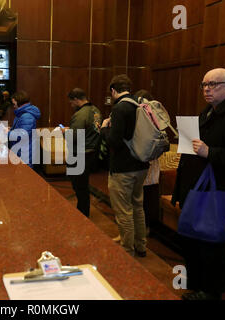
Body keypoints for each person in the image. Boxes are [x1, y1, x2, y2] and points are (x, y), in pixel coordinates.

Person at [171, 68, 225, 300]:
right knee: (194, 240)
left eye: (214, 84)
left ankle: (210, 291)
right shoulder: (209, 110)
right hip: (198, 187)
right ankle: (198, 286)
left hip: (219, 190)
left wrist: (211, 152)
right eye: (204, 85)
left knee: (210, 243)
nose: (207, 89)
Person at [101, 75, 149, 257]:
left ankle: (127, 249)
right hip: (142, 165)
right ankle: (141, 245)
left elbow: (114, 141)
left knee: (123, 210)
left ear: (113, 90)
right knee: (137, 206)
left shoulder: (120, 108)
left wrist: (104, 128)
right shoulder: (140, 104)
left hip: (123, 168)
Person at [65, 88, 102, 217]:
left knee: (79, 187)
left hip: (80, 154)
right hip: (92, 152)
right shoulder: (96, 110)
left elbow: (74, 137)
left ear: (76, 99)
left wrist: (65, 132)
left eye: (71, 102)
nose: (71, 105)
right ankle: (83, 211)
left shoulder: (81, 114)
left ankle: (82, 214)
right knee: (84, 185)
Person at [135, 89, 160, 236]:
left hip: (147, 161)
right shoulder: (154, 116)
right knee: (145, 196)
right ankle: (142, 229)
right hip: (147, 161)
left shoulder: (152, 117)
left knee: (146, 198)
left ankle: (144, 230)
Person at [8, 90, 41, 168]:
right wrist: (11, 130)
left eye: (14, 103)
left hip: (24, 153)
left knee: (24, 177)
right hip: (21, 151)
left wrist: (7, 133)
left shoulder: (27, 116)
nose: (13, 105)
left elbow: (22, 135)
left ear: (19, 102)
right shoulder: (22, 114)